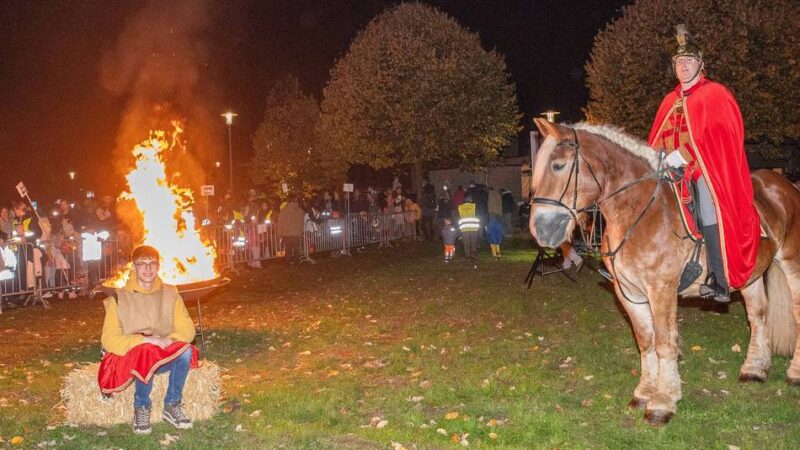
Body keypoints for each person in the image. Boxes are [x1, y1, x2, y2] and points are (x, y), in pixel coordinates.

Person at [648, 24, 759, 303]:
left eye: (689, 61)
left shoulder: (715, 94)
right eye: (678, 62)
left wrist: (683, 156)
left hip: (703, 170)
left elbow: (721, 136)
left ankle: (718, 279)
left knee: (709, 205)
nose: (683, 66)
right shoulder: (669, 101)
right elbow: (658, 139)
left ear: (701, 64)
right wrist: (657, 158)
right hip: (669, 171)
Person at [99, 245, 198, 434]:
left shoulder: (170, 293)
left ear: (158, 266)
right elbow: (109, 338)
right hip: (132, 358)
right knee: (146, 352)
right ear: (134, 267)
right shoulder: (119, 298)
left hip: (163, 352)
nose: (148, 268)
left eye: (152, 263)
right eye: (142, 264)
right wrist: (144, 341)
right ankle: (142, 406)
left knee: (185, 351)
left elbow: (187, 328)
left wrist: (170, 340)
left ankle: (172, 404)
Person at [278, 196, 306, 263]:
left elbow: (280, 222)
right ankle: (297, 261)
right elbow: (301, 222)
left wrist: (280, 234)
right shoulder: (299, 210)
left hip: (286, 233)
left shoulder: (284, 210)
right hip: (296, 233)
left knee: (288, 248)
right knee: (296, 248)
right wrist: (300, 231)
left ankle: (287, 261)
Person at [457, 196, 480, 260]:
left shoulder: (460, 207)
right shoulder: (474, 206)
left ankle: (467, 255)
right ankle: (473, 254)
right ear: (471, 200)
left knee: (466, 242)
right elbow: (478, 215)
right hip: (474, 227)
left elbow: (459, 216)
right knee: (473, 241)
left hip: (464, 227)